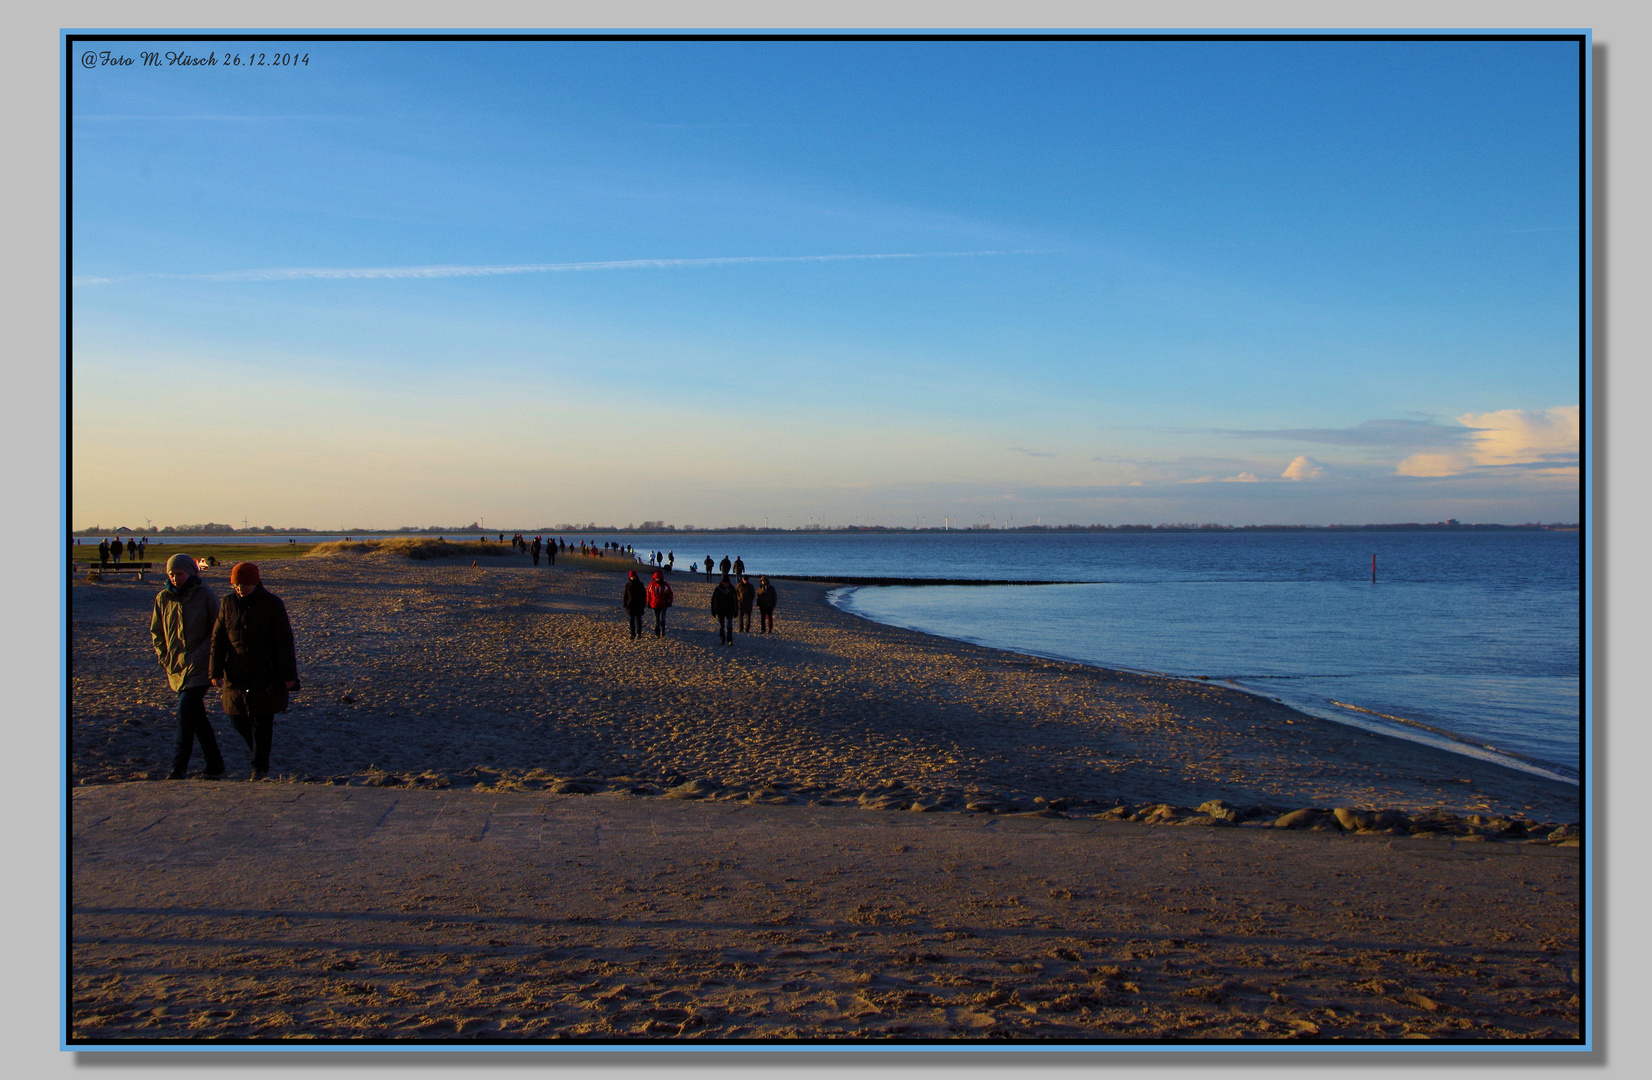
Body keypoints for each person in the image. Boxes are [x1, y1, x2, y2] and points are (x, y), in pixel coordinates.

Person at [209, 562, 299, 781]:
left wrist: (289, 676)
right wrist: (215, 670)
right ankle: (258, 752)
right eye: (237, 584)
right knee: (235, 717)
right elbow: (219, 639)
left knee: (262, 720)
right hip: (236, 671)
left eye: (245, 584)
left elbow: (284, 641)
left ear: (256, 582)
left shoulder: (272, 603)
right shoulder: (228, 603)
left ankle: (259, 768)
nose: (240, 589)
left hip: (265, 671)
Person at [150, 553, 225, 779]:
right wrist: (164, 656)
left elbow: (217, 631)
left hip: (201, 665)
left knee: (185, 711)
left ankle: (178, 766)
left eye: (179, 574)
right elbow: (157, 632)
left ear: (190, 573)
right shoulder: (163, 598)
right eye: (171, 574)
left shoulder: (205, 596)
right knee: (196, 716)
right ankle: (215, 764)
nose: (175, 578)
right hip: (176, 666)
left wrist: (204, 655)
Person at [711, 574, 739, 645]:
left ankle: (730, 640)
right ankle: (722, 639)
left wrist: (736, 611)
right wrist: (713, 610)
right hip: (720, 610)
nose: (726, 584)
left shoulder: (732, 589)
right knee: (721, 626)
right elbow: (713, 600)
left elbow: (735, 601)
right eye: (725, 583)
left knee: (729, 626)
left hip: (729, 610)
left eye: (727, 583)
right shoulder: (718, 589)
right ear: (722, 583)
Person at [646, 569, 674, 637]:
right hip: (654, 605)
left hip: (663, 605)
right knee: (656, 619)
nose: (658, 579)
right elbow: (648, 594)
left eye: (659, 578)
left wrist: (669, 601)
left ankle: (663, 630)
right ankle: (657, 633)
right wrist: (648, 602)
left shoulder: (665, 585)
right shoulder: (651, 585)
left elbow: (670, 593)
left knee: (662, 619)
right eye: (656, 578)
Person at [621, 570, 647, 639]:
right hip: (630, 605)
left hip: (639, 605)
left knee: (638, 620)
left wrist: (644, 604)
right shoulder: (627, 585)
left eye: (633, 576)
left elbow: (644, 595)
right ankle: (632, 634)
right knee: (631, 620)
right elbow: (625, 595)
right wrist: (625, 603)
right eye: (631, 577)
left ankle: (639, 633)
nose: (632, 578)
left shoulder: (640, 584)